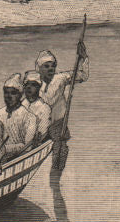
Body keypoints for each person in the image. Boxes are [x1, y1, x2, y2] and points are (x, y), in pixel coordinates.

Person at [35, 44, 89, 174]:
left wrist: (83, 58)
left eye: (53, 65)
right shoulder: (34, 82)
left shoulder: (61, 78)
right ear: (39, 68)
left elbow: (82, 76)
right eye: (46, 66)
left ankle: (57, 174)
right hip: (40, 122)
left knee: (61, 148)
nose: (51, 69)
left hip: (58, 122)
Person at [0, 73, 37, 161]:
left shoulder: (29, 117)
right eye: (6, 93)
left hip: (19, 160)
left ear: (20, 95)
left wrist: (5, 149)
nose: (8, 96)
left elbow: (27, 146)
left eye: (13, 93)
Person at [21, 70, 52, 144]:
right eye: (27, 84)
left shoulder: (44, 108)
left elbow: (42, 134)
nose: (29, 87)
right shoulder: (20, 105)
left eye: (33, 84)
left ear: (39, 87)